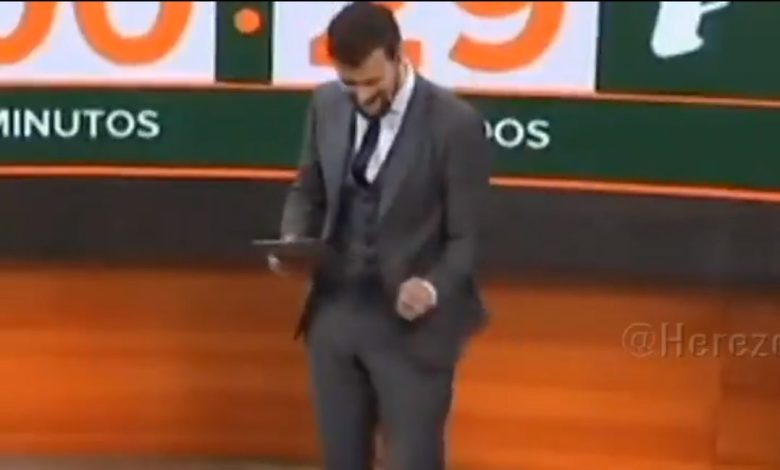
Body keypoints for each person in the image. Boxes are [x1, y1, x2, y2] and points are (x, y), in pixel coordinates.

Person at [274, 3, 492, 469]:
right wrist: (293, 241)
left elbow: (467, 237)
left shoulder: (454, 123)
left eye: (372, 82)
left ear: (398, 56)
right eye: (349, 83)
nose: (361, 96)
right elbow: (308, 189)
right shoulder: (326, 104)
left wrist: (431, 286)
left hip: (413, 330)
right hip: (335, 317)